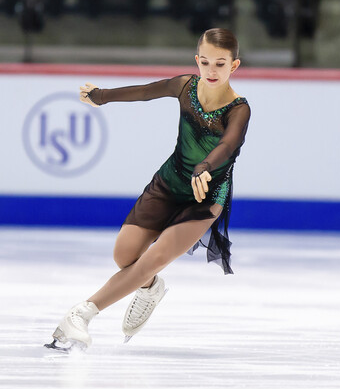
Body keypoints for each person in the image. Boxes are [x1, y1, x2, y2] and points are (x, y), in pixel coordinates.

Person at [45, 28, 251, 351]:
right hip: (170, 181)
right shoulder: (185, 86)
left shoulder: (239, 109)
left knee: (154, 257)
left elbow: (228, 144)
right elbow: (144, 92)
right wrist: (102, 96)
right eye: (205, 62)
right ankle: (150, 287)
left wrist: (205, 166)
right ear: (197, 60)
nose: (211, 70)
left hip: (206, 197)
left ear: (234, 66)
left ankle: (82, 314)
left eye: (220, 64)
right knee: (124, 255)